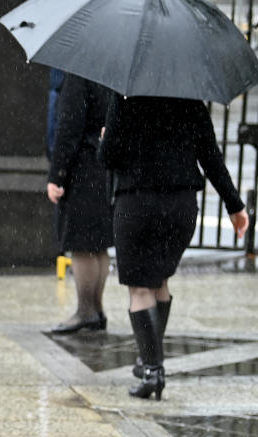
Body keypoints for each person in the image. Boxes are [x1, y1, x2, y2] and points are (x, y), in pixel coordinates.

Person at [100, 94, 249, 400]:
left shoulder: (125, 97)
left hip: (137, 202)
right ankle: (148, 360)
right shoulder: (190, 99)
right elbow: (210, 155)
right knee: (160, 282)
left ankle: (153, 369)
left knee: (140, 288)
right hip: (180, 205)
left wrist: (106, 138)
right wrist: (234, 205)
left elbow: (108, 157)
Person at [46, 74, 114, 333]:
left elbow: (69, 126)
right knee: (97, 246)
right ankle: (96, 309)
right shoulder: (111, 71)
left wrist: (57, 174)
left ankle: (86, 311)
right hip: (104, 167)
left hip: (82, 169)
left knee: (82, 246)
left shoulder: (79, 75)